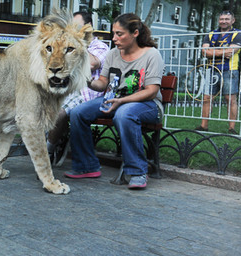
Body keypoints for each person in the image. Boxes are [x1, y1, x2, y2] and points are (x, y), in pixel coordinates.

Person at [66, 13, 165, 190]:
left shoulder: (151, 55)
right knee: (78, 112)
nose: (114, 38)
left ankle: (137, 171)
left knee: (124, 113)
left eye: (120, 34)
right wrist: (88, 80)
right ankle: (86, 166)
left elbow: (151, 91)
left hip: (148, 106)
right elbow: (103, 83)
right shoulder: (113, 54)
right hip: (114, 100)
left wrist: (121, 101)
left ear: (135, 33)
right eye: (114, 33)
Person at [46, 11, 110, 164]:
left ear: (88, 28)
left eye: (76, 27)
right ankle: (54, 140)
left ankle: (48, 150)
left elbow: (91, 64)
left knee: (59, 113)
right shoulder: (67, 45)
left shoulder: (101, 47)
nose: (72, 31)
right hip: (66, 89)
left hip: (87, 92)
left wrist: (79, 43)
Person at [196, 11, 241, 134]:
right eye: (221, 19)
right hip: (211, 69)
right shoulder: (211, 34)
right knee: (207, 97)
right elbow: (204, 52)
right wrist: (222, 52)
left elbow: (231, 51)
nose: (224, 21)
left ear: (233, 20)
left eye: (227, 19)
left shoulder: (238, 34)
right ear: (218, 20)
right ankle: (203, 126)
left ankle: (232, 128)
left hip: (230, 70)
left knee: (230, 98)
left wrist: (212, 51)